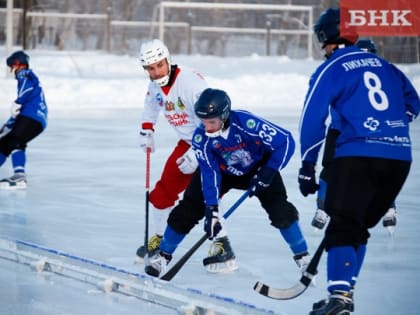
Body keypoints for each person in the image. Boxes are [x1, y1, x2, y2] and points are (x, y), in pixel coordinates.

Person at [298, 8, 419, 314]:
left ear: (327, 37)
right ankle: (344, 292)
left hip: (359, 155)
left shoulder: (333, 67)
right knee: (357, 228)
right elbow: (413, 103)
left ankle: (338, 300)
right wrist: (392, 124)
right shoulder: (385, 65)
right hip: (399, 157)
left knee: (342, 225)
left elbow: (313, 119)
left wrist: (308, 164)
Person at [144, 88, 311, 278]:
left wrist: (268, 172)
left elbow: (285, 141)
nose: (207, 127)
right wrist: (212, 208)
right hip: (223, 172)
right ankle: (164, 256)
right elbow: (209, 173)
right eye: (203, 121)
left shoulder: (246, 123)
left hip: (259, 170)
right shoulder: (201, 138)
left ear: (224, 116)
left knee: (280, 211)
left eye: (212, 122)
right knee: (189, 207)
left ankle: (303, 257)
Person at [135, 39, 237, 273]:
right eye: (150, 68)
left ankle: (222, 244)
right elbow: (151, 104)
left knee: (208, 195)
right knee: (162, 192)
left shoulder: (190, 83)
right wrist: (147, 128)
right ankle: (160, 238)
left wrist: (196, 151)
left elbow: (211, 118)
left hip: (212, 142)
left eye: (159, 65)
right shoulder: (155, 85)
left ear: (168, 60)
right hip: (187, 143)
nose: (155, 72)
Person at [311, 38, 397, 234]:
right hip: (344, 130)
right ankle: (323, 209)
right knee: (331, 170)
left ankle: (389, 207)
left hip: (363, 130)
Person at [0, 50, 48, 189]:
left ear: (18, 64)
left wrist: (18, 101)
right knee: (4, 143)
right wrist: (7, 126)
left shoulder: (25, 74)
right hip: (33, 118)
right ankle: (19, 175)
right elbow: (18, 113)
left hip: (32, 116)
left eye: (12, 67)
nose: (12, 71)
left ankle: (19, 176)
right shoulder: (28, 77)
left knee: (16, 140)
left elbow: (25, 92)